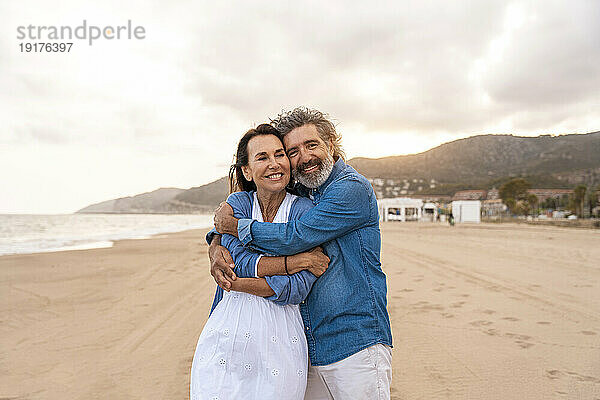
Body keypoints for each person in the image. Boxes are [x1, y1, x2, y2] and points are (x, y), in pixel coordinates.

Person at [211, 107, 393, 399]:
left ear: (331, 144)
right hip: (308, 345)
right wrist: (215, 242)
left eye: (312, 145)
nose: (304, 157)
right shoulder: (306, 189)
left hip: (355, 342)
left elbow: (296, 236)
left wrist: (234, 227)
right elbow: (255, 199)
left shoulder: (351, 189)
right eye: (292, 151)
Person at [190, 124, 330, 400]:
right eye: (262, 157)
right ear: (246, 170)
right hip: (225, 334)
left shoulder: (303, 210)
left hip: (281, 339)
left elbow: (299, 288)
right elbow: (236, 263)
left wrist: (238, 284)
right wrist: (293, 262)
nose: (274, 164)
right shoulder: (237, 204)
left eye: (279, 155)